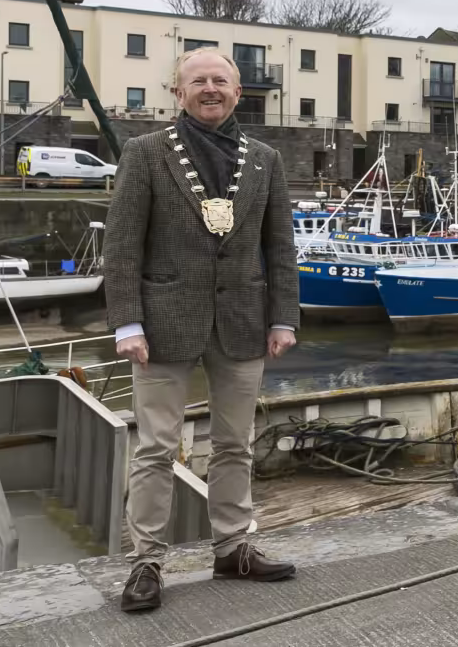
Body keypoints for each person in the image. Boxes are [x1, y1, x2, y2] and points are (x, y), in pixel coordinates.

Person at [105, 50, 301, 612]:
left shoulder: (265, 159)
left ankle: (233, 547)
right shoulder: (144, 154)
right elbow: (121, 248)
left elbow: (279, 247)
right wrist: (127, 322)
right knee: (156, 449)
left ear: (239, 92)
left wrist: (284, 316)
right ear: (178, 91)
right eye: (198, 81)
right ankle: (146, 562)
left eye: (220, 81)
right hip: (162, 325)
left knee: (235, 444)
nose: (209, 89)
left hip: (243, 320)